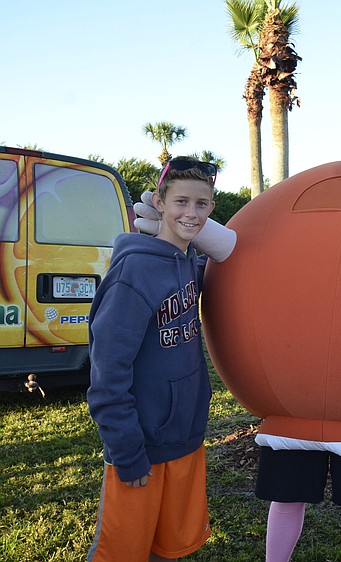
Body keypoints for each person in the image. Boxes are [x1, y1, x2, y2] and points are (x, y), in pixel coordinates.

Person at [86, 157, 218, 562]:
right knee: (122, 554)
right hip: (141, 447)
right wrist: (127, 451)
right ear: (159, 202)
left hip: (184, 439)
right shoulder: (135, 273)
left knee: (169, 550)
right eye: (181, 201)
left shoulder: (188, 266)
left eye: (202, 204)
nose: (191, 214)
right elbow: (108, 375)